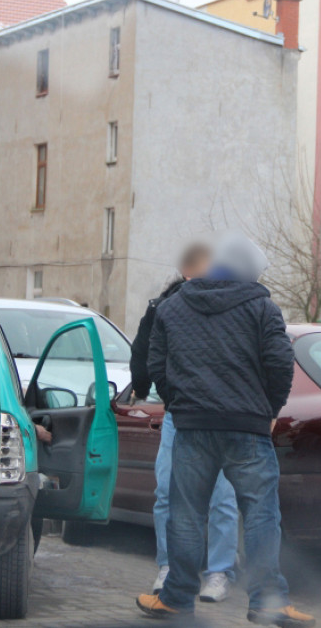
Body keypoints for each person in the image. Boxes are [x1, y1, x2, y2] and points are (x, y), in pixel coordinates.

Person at [136, 233, 314, 627]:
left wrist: (180, 404)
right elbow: (280, 364)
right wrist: (268, 409)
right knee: (261, 517)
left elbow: (156, 364)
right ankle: (269, 602)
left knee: (184, 516)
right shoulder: (263, 308)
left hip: (193, 427)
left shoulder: (174, 306)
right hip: (247, 429)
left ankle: (176, 599)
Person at [130, 242, 240, 602]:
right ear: (188, 272)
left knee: (222, 497)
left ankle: (220, 572)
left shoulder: (232, 307)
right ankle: (170, 566)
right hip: (181, 414)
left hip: (224, 415)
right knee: (167, 492)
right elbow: (146, 351)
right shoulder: (166, 307)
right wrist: (158, 389)